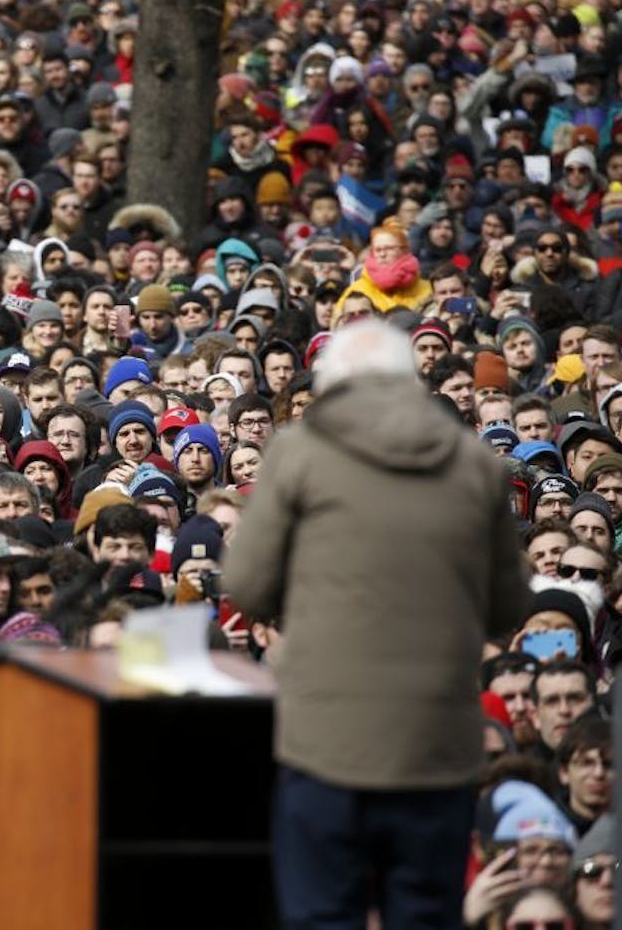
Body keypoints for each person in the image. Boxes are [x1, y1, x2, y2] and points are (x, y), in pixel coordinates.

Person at [225, 321, 530, 926]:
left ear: (333, 387)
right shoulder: (478, 466)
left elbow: (247, 584)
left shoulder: (298, 454)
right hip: (436, 750)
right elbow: (507, 609)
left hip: (325, 748)